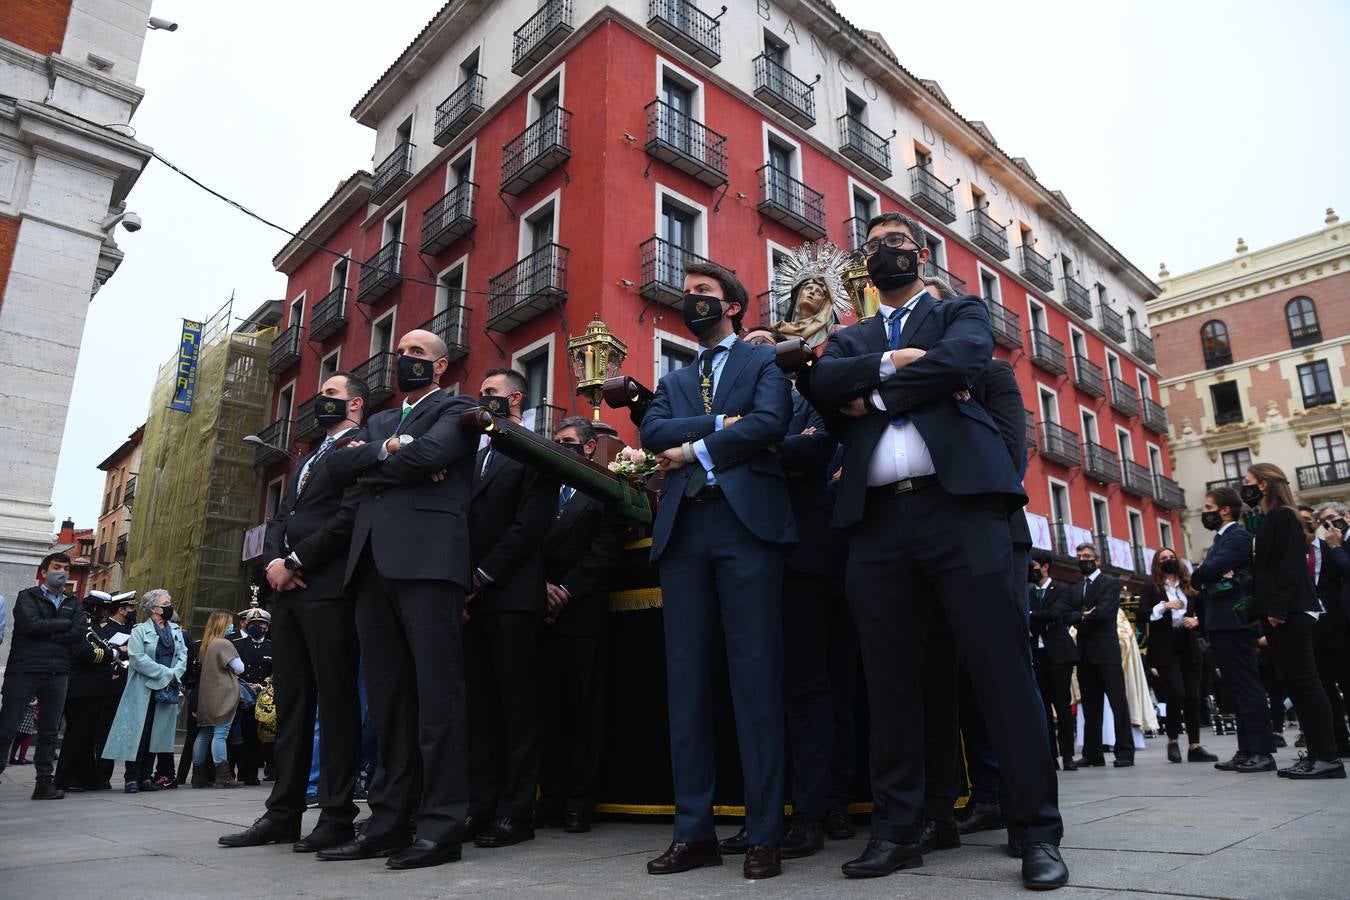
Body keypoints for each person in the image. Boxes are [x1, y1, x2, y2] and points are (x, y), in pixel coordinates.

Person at [809, 211, 1066, 889]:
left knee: (1000, 670)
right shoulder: (851, 336)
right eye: (873, 248)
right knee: (891, 679)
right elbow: (823, 386)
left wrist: (873, 394)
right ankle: (898, 831)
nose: (885, 253)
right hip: (875, 523)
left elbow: (965, 360)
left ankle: (1036, 829)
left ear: (918, 254)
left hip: (962, 514)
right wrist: (896, 364)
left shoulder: (962, 311)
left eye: (896, 243)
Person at [641, 260, 795, 881]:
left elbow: (769, 423)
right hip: (683, 534)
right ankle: (693, 832)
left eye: (703, 293)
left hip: (746, 528)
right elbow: (653, 431)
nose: (692, 301)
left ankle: (764, 834)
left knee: (755, 680)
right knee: (686, 685)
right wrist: (715, 427)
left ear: (732, 305)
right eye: (687, 296)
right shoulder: (674, 378)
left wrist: (695, 449)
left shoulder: (763, 362)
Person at [321, 328, 478, 870]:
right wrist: (390, 454)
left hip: (430, 563)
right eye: (402, 351)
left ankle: (441, 828)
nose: (405, 358)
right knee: (387, 705)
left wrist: (377, 463)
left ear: (439, 367)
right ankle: (387, 823)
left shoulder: (458, 407)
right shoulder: (384, 420)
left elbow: (434, 453)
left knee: (439, 700)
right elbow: (337, 466)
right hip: (372, 567)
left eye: (418, 353)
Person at [220, 372, 368, 851]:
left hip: (327, 590)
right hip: (287, 593)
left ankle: (337, 815)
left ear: (356, 405)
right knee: (292, 705)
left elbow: (350, 516)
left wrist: (298, 562)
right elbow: (280, 519)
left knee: (337, 703)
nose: (320, 401)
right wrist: (273, 564)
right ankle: (282, 812)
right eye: (320, 394)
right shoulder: (305, 460)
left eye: (331, 395)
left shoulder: (361, 447)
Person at [720, 335, 840, 861]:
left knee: (806, 687)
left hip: (803, 553)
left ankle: (810, 813)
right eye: (753, 345)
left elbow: (814, 447)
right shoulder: (733, 402)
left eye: (771, 343)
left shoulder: (808, 393)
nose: (762, 349)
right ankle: (762, 811)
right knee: (751, 688)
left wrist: (750, 441)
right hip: (745, 550)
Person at [464, 368, 558, 849]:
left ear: (516, 397)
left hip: (511, 595)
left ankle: (516, 812)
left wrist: (483, 575)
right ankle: (480, 804)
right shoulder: (472, 452)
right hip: (470, 600)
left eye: (490, 393)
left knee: (517, 708)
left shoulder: (532, 448)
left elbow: (530, 525)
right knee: (480, 708)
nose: (482, 400)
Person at [536, 416, 627, 834]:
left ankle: (579, 802)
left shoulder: (603, 489)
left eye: (568, 442)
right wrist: (541, 588)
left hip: (582, 614)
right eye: (555, 441)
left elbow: (605, 550)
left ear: (589, 448)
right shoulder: (541, 487)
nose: (560, 447)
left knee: (584, 710)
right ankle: (550, 797)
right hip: (540, 612)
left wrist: (566, 591)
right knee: (547, 709)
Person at [1243, 464, 1345, 779]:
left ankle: (1328, 756)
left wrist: (1278, 609)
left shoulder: (1284, 515)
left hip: (1291, 612)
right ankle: (1314, 754)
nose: (1243, 487)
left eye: (1247, 482)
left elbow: (1289, 567)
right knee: (1297, 685)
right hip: (1278, 612)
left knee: (1307, 682)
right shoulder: (1267, 519)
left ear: (1263, 485)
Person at [1190, 486, 1275, 772]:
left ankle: (1262, 751)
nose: (1204, 513)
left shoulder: (1237, 537)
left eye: (1207, 508)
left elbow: (1203, 573)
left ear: (1224, 510)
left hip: (1234, 623)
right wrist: (1206, 572)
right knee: (1236, 689)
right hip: (1221, 623)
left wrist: (1204, 571)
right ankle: (1246, 749)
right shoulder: (1221, 540)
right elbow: (1205, 574)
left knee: (1248, 687)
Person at [0, 552, 88, 800]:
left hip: (58, 671)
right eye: (57, 567)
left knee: (49, 731)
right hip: (24, 669)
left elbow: (79, 631)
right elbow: (30, 625)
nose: (63, 572)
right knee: (7, 726)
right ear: (43, 572)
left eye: (66, 568)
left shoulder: (73, 601)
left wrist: (48, 628)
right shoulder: (27, 596)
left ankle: (44, 783)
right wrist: (63, 624)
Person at [102, 589, 188, 792]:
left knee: (156, 735)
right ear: (153, 609)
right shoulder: (139, 630)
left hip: (168, 687)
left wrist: (174, 674)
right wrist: (166, 673)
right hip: (143, 688)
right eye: (165, 603)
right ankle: (131, 777)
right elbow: (138, 658)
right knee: (139, 732)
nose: (169, 607)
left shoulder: (175, 629)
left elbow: (183, 655)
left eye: (169, 603)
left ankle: (146, 777)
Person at [1137, 550, 1216, 764]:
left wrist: (1197, 620)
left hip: (1189, 643)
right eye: (1163, 559)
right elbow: (1142, 614)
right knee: (1176, 692)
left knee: (1192, 694)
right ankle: (1172, 741)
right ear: (1157, 564)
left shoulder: (1189, 587)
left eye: (1171, 557)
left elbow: (1206, 609)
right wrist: (1163, 606)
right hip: (1165, 645)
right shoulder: (1151, 588)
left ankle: (1195, 746)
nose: (1168, 561)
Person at [55, 591, 133, 792]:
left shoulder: (96, 626)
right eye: (103, 609)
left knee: (89, 736)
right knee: (77, 735)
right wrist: (114, 652)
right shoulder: (83, 624)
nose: (106, 613)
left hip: (98, 687)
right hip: (83, 687)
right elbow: (82, 652)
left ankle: (84, 777)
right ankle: (66, 778)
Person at [1072, 543, 1133, 768]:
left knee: (1117, 703)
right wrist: (1084, 615)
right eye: (1079, 556)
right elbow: (1071, 613)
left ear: (1097, 560)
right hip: (1085, 654)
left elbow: (1105, 612)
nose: (1082, 559)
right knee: (1090, 706)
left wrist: (1081, 617)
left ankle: (1125, 752)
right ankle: (1092, 753)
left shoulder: (1110, 583)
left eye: (1086, 556)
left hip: (1107, 652)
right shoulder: (1077, 587)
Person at [1301, 506, 1350, 756]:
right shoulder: (1290, 555)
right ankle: (1340, 741)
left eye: (1312, 521)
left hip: (1338, 624)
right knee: (1324, 685)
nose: (1309, 525)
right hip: (1310, 627)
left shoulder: (1332, 547)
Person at [1027, 551, 1080, 775]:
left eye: (1035, 565)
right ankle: (1050, 755)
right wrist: (1043, 618)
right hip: (1037, 655)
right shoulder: (1028, 592)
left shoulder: (1062, 589)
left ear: (1046, 566)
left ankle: (1068, 755)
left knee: (1062, 706)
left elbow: (1058, 612)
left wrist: (1033, 615)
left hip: (1059, 655)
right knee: (1043, 709)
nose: (1033, 569)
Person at [192, 609, 244, 788]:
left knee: (204, 734)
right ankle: (223, 776)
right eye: (230, 622)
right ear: (223, 624)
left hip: (207, 696)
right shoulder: (223, 643)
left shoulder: (207, 643)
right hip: (223, 696)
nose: (233, 626)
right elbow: (240, 668)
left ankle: (197, 776)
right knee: (220, 734)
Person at [231, 602, 273, 785]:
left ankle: (250, 774)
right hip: (240, 695)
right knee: (236, 735)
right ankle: (232, 772)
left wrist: (262, 685)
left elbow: (276, 671)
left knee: (255, 738)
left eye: (261, 624)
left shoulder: (273, 647)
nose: (258, 627)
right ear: (246, 625)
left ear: (267, 627)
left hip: (262, 697)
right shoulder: (237, 645)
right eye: (253, 623)